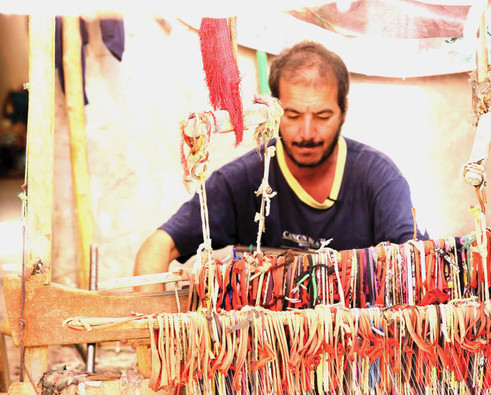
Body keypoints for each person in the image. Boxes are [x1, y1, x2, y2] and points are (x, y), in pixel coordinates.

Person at [134, 41, 425, 291]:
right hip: (269, 351)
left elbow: (420, 263)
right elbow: (159, 246)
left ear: (343, 111)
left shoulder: (378, 178)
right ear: (272, 110)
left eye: (322, 116)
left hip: (360, 347)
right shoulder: (245, 179)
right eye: (293, 115)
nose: (307, 133)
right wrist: (151, 331)